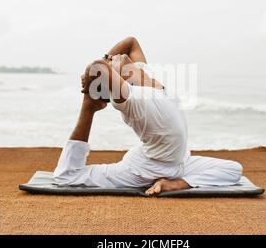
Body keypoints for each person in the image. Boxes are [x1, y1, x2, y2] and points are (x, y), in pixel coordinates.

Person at [53, 37, 243, 195]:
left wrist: (102, 69)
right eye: (113, 62)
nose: (117, 57)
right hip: (148, 168)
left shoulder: (149, 79)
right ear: (119, 78)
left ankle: (175, 182)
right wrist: (90, 92)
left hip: (180, 162)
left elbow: (130, 42)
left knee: (234, 169)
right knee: (67, 176)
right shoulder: (134, 99)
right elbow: (98, 66)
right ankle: (89, 108)